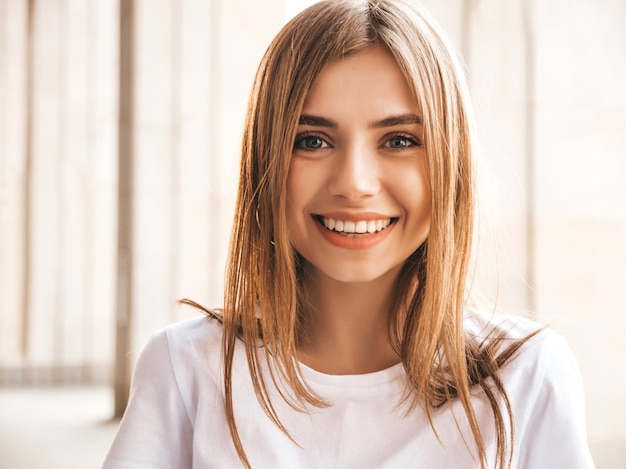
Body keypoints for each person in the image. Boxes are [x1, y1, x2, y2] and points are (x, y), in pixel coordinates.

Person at [102, 1, 595, 468]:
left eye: (399, 140)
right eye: (312, 141)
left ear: (451, 161)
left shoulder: (527, 376)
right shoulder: (187, 368)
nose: (354, 183)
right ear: (265, 163)